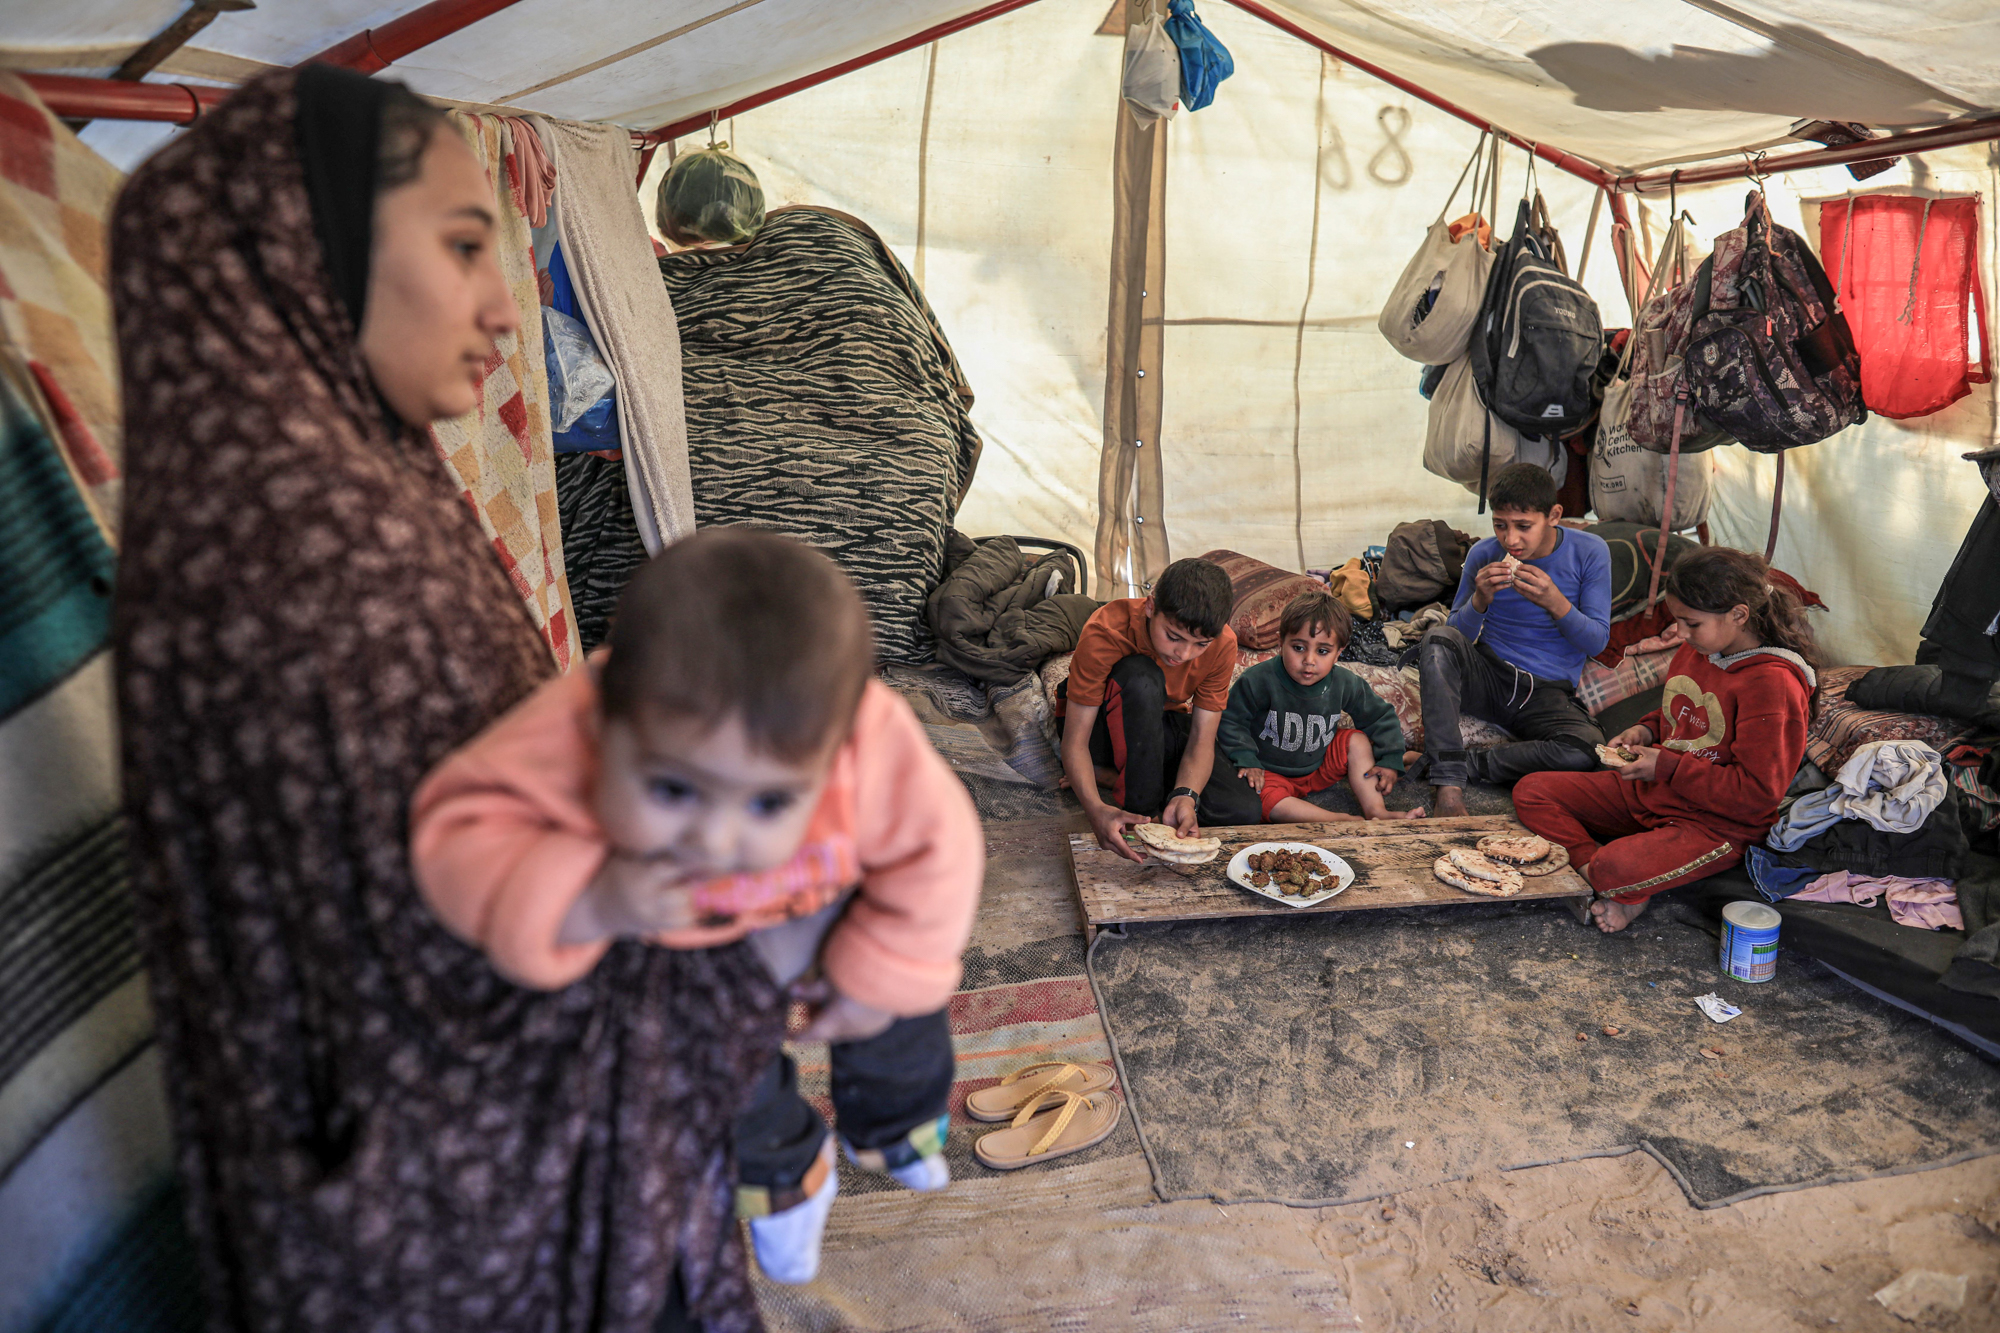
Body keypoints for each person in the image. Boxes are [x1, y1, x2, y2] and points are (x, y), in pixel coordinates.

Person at [111, 65, 784, 1331]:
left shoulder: (336, 489)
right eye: (465, 245)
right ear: (303, 248)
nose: (505, 304)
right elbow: (448, 950)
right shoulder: (302, 557)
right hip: (461, 1221)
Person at [411, 528, 982, 1286]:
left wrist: (881, 976)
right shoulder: (573, 722)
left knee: (905, 1009)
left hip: (821, 904)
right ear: (603, 722)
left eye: (770, 801)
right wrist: (589, 899)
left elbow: (943, 849)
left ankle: (896, 1127)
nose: (716, 841)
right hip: (677, 940)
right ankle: (786, 1179)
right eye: (674, 788)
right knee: (701, 1074)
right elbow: (454, 835)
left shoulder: (868, 738)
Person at [1513, 547, 1819, 933]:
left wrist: (1666, 766)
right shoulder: (1699, 650)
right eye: (1677, 620)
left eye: (1692, 623)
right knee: (1532, 791)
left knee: (1614, 868)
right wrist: (1646, 730)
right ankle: (1610, 874)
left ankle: (1617, 880)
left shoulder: (1773, 684)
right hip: (1657, 792)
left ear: (1739, 615)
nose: (1681, 634)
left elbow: (1757, 795)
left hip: (1717, 824)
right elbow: (1682, 713)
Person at [1415, 462, 1612, 817]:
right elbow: (1457, 635)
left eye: (1524, 526)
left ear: (1553, 516)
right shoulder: (1483, 554)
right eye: (1500, 525)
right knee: (1437, 638)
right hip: (1489, 675)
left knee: (1586, 749)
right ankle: (1448, 785)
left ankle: (1465, 763)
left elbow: (1597, 642)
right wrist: (1479, 600)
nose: (1511, 540)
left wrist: (1555, 601)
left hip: (1545, 691)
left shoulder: (1590, 551)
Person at [1058, 558, 1261, 859]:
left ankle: (1115, 777)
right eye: (1173, 637)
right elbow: (1075, 742)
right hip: (1098, 727)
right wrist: (1095, 809)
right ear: (1151, 606)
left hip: (1160, 721)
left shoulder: (1222, 643)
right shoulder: (1107, 629)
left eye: (1200, 644)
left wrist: (1186, 795)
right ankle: (1140, 804)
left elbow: (1202, 738)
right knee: (1142, 679)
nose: (1184, 653)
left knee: (1242, 810)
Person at [1219, 590, 1422, 823]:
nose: (1309, 660)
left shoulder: (1345, 683)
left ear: (1338, 653)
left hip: (1319, 767)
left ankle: (1376, 811)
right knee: (1260, 799)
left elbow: (1379, 717)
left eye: (1323, 651)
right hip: (1269, 771)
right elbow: (1231, 720)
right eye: (1298, 648)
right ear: (1280, 642)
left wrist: (1390, 759)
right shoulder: (1258, 680)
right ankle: (1337, 820)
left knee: (1356, 741)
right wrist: (1247, 759)